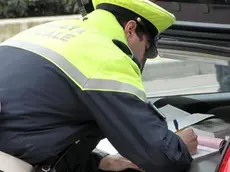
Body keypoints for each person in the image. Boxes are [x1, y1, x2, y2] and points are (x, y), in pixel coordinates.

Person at [0, 0, 198, 172]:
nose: (142, 58)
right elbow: (161, 158)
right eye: (146, 48)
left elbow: (39, 127)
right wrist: (181, 146)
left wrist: (101, 161)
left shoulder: (48, 31)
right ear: (130, 29)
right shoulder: (109, 56)